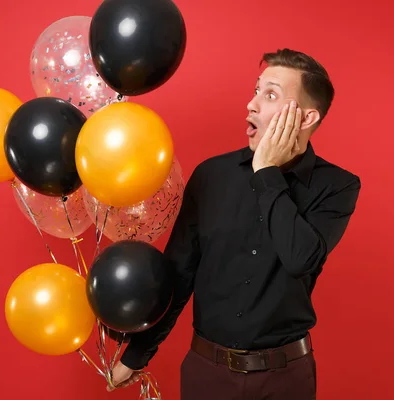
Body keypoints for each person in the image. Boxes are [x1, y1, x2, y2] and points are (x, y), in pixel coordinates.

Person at [107, 48, 361, 399]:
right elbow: (179, 274)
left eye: (270, 94)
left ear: (305, 119)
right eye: (256, 90)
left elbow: (301, 257)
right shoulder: (211, 176)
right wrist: (136, 356)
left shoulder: (337, 186)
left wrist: (267, 171)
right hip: (207, 374)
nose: (252, 104)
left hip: (285, 379)